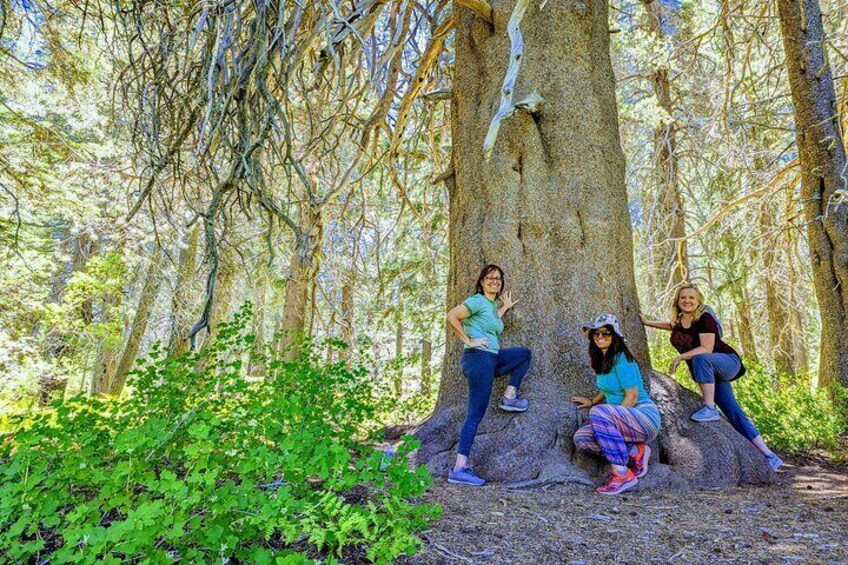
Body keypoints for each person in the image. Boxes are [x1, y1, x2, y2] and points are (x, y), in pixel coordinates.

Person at [640, 283, 783, 471]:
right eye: (683, 297)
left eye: (691, 297)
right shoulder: (679, 320)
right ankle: (770, 456)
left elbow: (706, 349)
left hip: (727, 362)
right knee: (734, 412)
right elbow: (671, 326)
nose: (687, 301)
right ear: (677, 300)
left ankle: (709, 408)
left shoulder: (705, 318)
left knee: (701, 357)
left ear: (698, 300)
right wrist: (648, 323)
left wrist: (681, 357)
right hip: (711, 371)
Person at [445, 264, 532, 486]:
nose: (495, 281)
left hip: (491, 359)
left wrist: (504, 308)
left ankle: (509, 396)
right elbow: (452, 316)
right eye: (490, 278)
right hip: (478, 358)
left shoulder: (491, 305)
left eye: (498, 279)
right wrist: (468, 340)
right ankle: (459, 468)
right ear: (482, 281)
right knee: (475, 413)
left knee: (523, 354)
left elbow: (491, 323)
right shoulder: (476, 300)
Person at [572, 313, 661, 495]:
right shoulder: (603, 361)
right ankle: (636, 451)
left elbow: (633, 396)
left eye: (606, 333)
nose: (600, 337)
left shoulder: (622, 358)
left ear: (615, 337)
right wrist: (592, 401)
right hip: (624, 419)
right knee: (582, 438)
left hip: (644, 416)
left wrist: (607, 417)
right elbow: (608, 389)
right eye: (596, 334)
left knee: (598, 414)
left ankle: (621, 474)